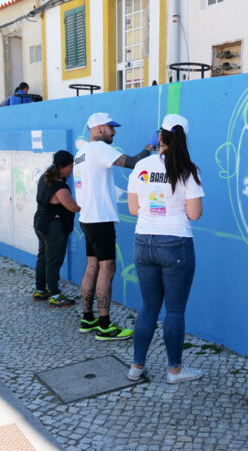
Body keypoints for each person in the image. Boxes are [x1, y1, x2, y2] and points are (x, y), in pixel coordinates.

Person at [126, 114, 204, 383]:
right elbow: (194, 214)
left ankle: (136, 367)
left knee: (148, 307)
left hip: (143, 241)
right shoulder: (187, 170)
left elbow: (133, 209)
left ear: (160, 137)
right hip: (175, 243)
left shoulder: (141, 167)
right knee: (174, 310)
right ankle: (174, 370)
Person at [74, 112, 155, 341]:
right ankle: (105, 325)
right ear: (99, 129)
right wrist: (150, 146)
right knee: (107, 268)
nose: (114, 131)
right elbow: (132, 163)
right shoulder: (99, 149)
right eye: (111, 127)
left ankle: (87, 317)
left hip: (87, 218)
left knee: (92, 266)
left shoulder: (79, 154)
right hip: (100, 219)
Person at [33, 150, 80, 307]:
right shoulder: (60, 187)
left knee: (43, 257)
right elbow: (73, 207)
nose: (72, 170)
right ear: (62, 167)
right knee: (54, 261)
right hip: (54, 228)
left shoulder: (45, 177)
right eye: (70, 167)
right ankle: (55, 295)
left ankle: (40, 290)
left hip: (41, 224)